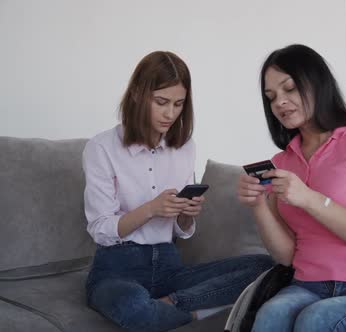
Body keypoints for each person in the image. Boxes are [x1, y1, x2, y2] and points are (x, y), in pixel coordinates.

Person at [83, 51, 273, 332]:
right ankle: (196, 315)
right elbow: (100, 228)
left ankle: (170, 304)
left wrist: (186, 215)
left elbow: (181, 230)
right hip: (117, 270)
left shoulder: (184, 148)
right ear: (137, 94)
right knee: (134, 307)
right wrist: (151, 209)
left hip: (170, 268)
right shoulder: (101, 148)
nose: (170, 113)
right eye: (161, 102)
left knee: (266, 266)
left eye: (178, 104)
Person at [237, 44, 346, 332]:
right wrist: (258, 206)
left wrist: (309, 198)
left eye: (289, 88)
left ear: (317, 83)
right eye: (271, 97)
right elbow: (287, 256)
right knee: (270, 314)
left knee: (316, 318)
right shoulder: (282, 161)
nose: (279, 102)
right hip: (308, 284)